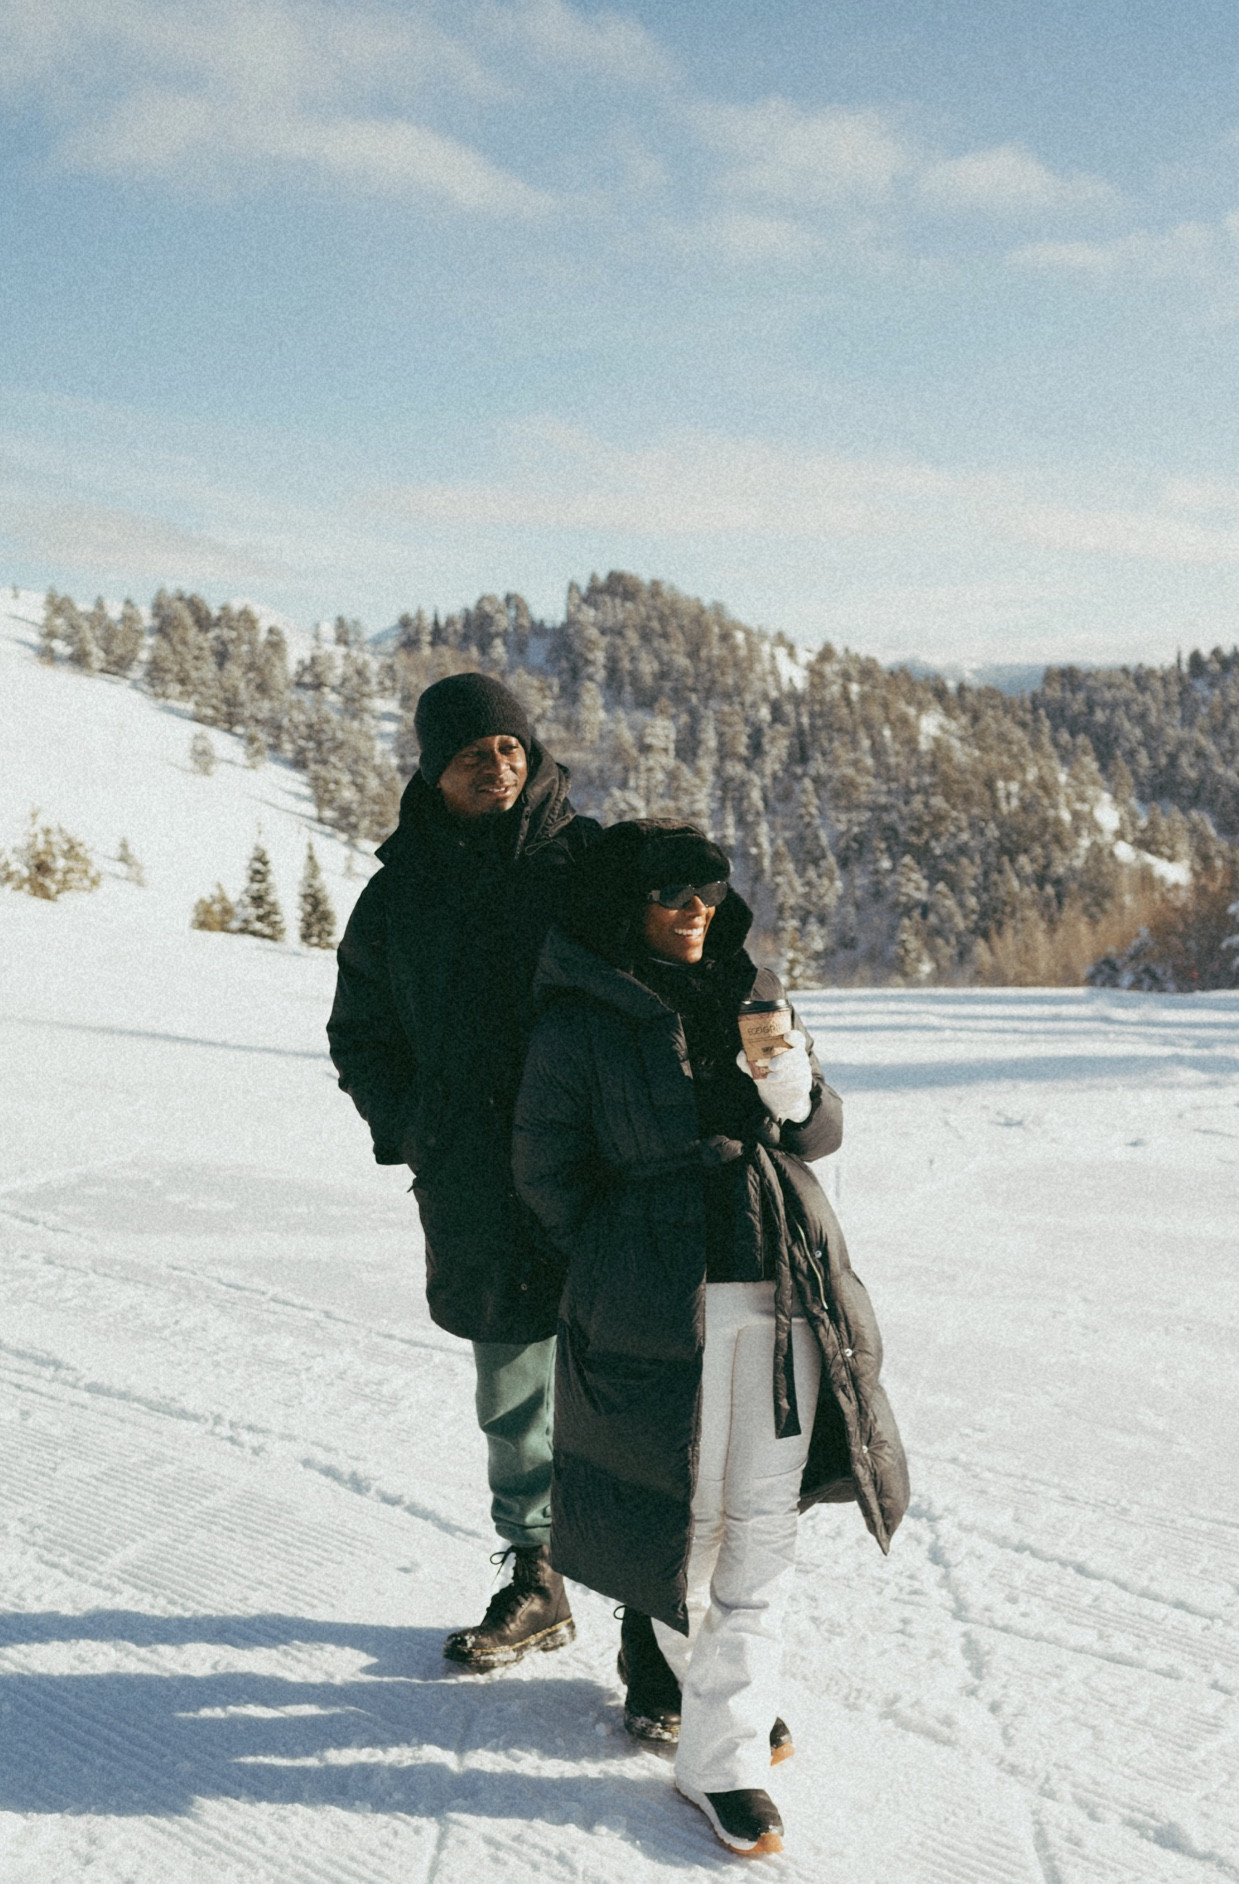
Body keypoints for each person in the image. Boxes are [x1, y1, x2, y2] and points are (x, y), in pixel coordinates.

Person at [512, 819, 909, 1859]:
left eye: (707, 886)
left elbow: (817, 1131)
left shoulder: (752, 992)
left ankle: (722, 1751)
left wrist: (790, 1085)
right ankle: (719, 1704)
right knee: (685, 1529)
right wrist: (620, 1255)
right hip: (661, 1303)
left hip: (782, 1286)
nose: (694, 906)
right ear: (624, 905)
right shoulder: (580, 1018)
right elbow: (545, 1172)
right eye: (669, 891)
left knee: (762, 1528)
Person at [326, 671, 599, 1669]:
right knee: (516, 1386)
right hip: (476, 1179)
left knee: (647, 1385)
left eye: (511, 747)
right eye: (474, 751)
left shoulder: (590, 864)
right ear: (435, 771)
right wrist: (417, 1129)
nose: (498, 762)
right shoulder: (399, 895)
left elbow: (686, 959)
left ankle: (674, 1625)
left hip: (601, 1170)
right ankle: (538, 1576)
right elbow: (360, 1031)